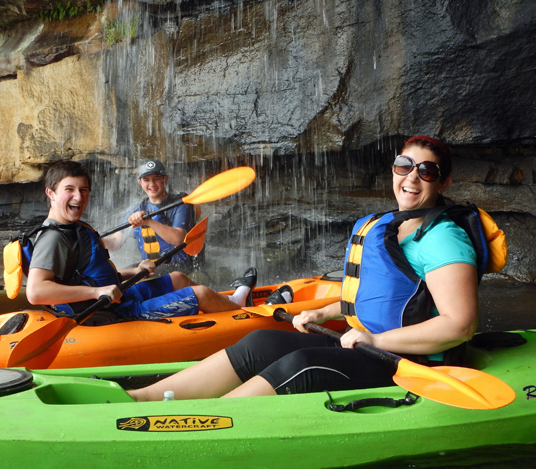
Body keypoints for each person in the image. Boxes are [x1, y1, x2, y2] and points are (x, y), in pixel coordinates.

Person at [129, 136, 480, 401]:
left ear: (443, 183)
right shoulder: (382, 224)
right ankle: (142, 398)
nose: (411, 177)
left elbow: (460, 324)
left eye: (427, 171)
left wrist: (375, 339)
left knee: (299, 365)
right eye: (404, 165)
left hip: (407, 363)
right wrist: (322, 311)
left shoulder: (443, 238)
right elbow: (372, 296)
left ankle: (193, 423)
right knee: (261, 342)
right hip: (365, 345)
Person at [25, 160, 257, 321]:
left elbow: (89, 275)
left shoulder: (74, 228)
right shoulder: (54, 237)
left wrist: (133, 271)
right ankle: (240, 310)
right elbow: (36, 292)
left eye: (84, 189)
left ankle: (232, 302)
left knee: (177, 278)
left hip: (119, 297)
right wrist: (96, 293)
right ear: (51, 193)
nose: (79, 196)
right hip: (113, 311)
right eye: (70, 189)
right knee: (202, 295)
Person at [104, 159, 199, 274]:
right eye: (146, 180)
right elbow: (115, 242)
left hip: (178, 266)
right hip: (150, 266)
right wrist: (95, 240)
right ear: (140, 182)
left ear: (165, 179)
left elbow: (178, 238)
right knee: (113, 277)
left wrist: (148, 221)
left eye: (157, 179)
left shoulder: (180, 205)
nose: (152, 184)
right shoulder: (135, 210)